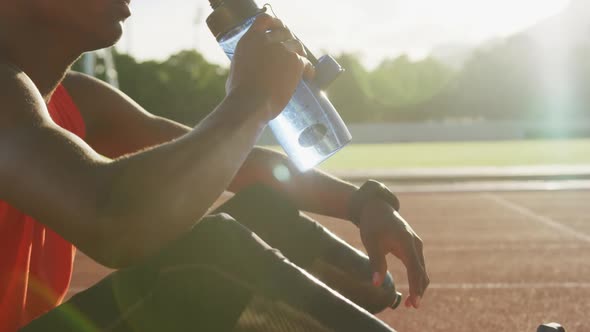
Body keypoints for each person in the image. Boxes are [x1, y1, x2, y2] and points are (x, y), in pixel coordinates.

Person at [0, 0, 429, 331]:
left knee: (264, 214)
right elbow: (112, 220)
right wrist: (252, 99)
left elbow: (236, 164)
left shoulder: (77, 100)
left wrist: (361, 203)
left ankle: (372, 293)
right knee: (210, 257)